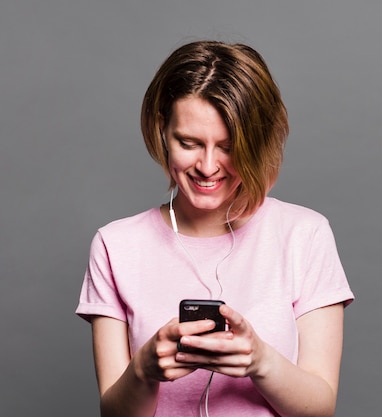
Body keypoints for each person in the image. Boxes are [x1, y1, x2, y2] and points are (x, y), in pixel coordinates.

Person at [76, 40, 354, 417]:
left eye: (228, 146)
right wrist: (144, 370)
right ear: (162, 130)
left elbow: (319, 409)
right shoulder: (115, 246)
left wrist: (260, 361)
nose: (208, 166)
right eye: (189, 143)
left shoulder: (304, 235)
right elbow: (115, 414)